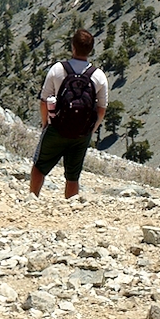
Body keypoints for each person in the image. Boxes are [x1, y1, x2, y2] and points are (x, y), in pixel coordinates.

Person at [30, 28, 109, 199]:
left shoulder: (58, 69)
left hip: (56, 127)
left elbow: (44, 100)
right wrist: (91, 128)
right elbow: (102, 108)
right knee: (73, 175)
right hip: (81, 133)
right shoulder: (99, 76)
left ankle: (33, 198)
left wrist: (45, 123)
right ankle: (70, 207)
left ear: (73, 47)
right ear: (91, 49)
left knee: (40, 166)